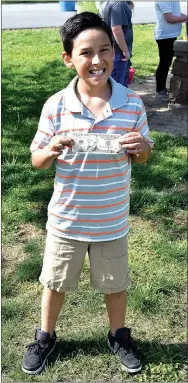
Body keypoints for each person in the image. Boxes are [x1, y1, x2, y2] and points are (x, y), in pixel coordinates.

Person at [22, 11, 153, 376]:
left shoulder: (132, 104)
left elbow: (143, 156)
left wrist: (140, 146)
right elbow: (37, 160)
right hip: (67, 218)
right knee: (55, 281)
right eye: (85, 53)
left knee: (116, 283)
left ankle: (118, 335)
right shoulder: (56, 106)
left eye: (105, 50)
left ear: (115, 53)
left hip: (111, 219)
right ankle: (45, 335)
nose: (97, 60)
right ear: (68, 58)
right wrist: (50, 150)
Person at [154, 1, 188, 100]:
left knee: (167, 62)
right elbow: (169, 18)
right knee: (165, 63)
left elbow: (177, 14)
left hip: (173, 34)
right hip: (165, 36)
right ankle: (160, 90)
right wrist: (186, 18)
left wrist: (185, 17)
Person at [99, 1, 133, 87]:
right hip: (118, 51)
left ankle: (124, 99)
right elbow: (116, 29)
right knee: (116, 86)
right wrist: (125, 51)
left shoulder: (104, 2)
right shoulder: (118, 3)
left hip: (110, 49)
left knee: (117, 84)